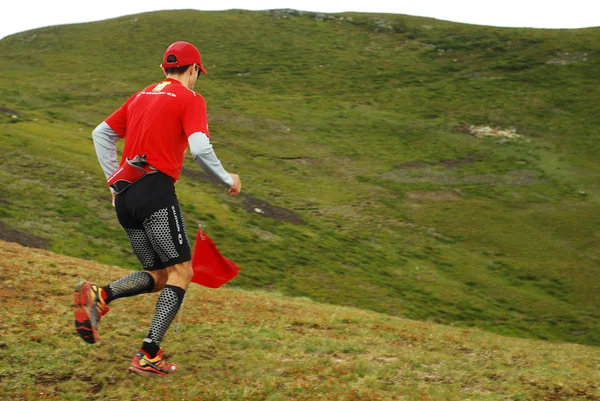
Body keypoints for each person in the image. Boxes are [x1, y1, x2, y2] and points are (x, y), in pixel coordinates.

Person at [75, 41, 241, 377]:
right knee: (183, 273)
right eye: (198, 73)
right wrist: (227, 177)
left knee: (161, 276)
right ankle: (149, 353)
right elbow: (198, 146)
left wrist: (113, 181)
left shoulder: (140, 96)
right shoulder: (190, 98)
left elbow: (101, 134)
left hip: (125, 197)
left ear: (164, 68)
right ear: (194, 70)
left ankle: (100, 294)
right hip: (154, 192)